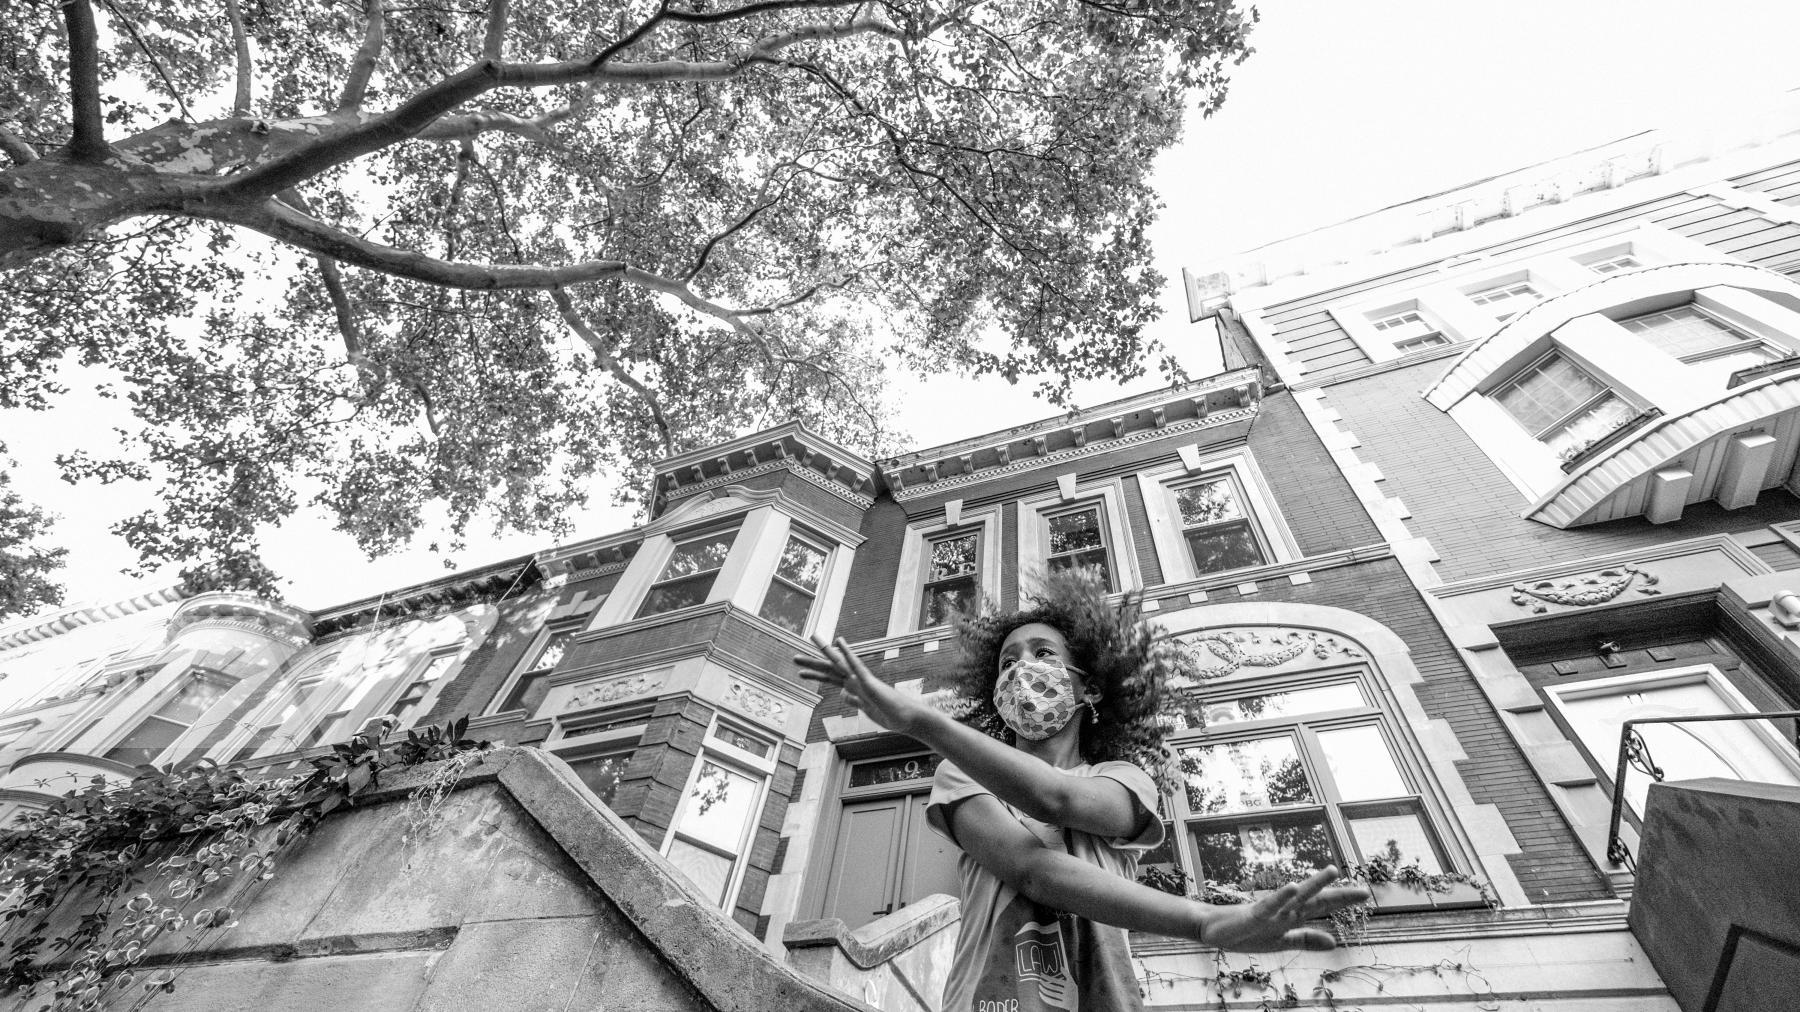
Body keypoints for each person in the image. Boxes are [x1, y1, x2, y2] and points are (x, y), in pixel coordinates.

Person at [796, 571, 1369, 1012]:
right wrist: (1202, 921)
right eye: (1006, 662)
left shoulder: (1124, 779)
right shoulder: (959, 774)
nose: (1021, 670)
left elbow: (1059, 802)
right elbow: (1033, 872)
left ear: (1088, 685)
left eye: (1043, 654)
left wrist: (926, 723)